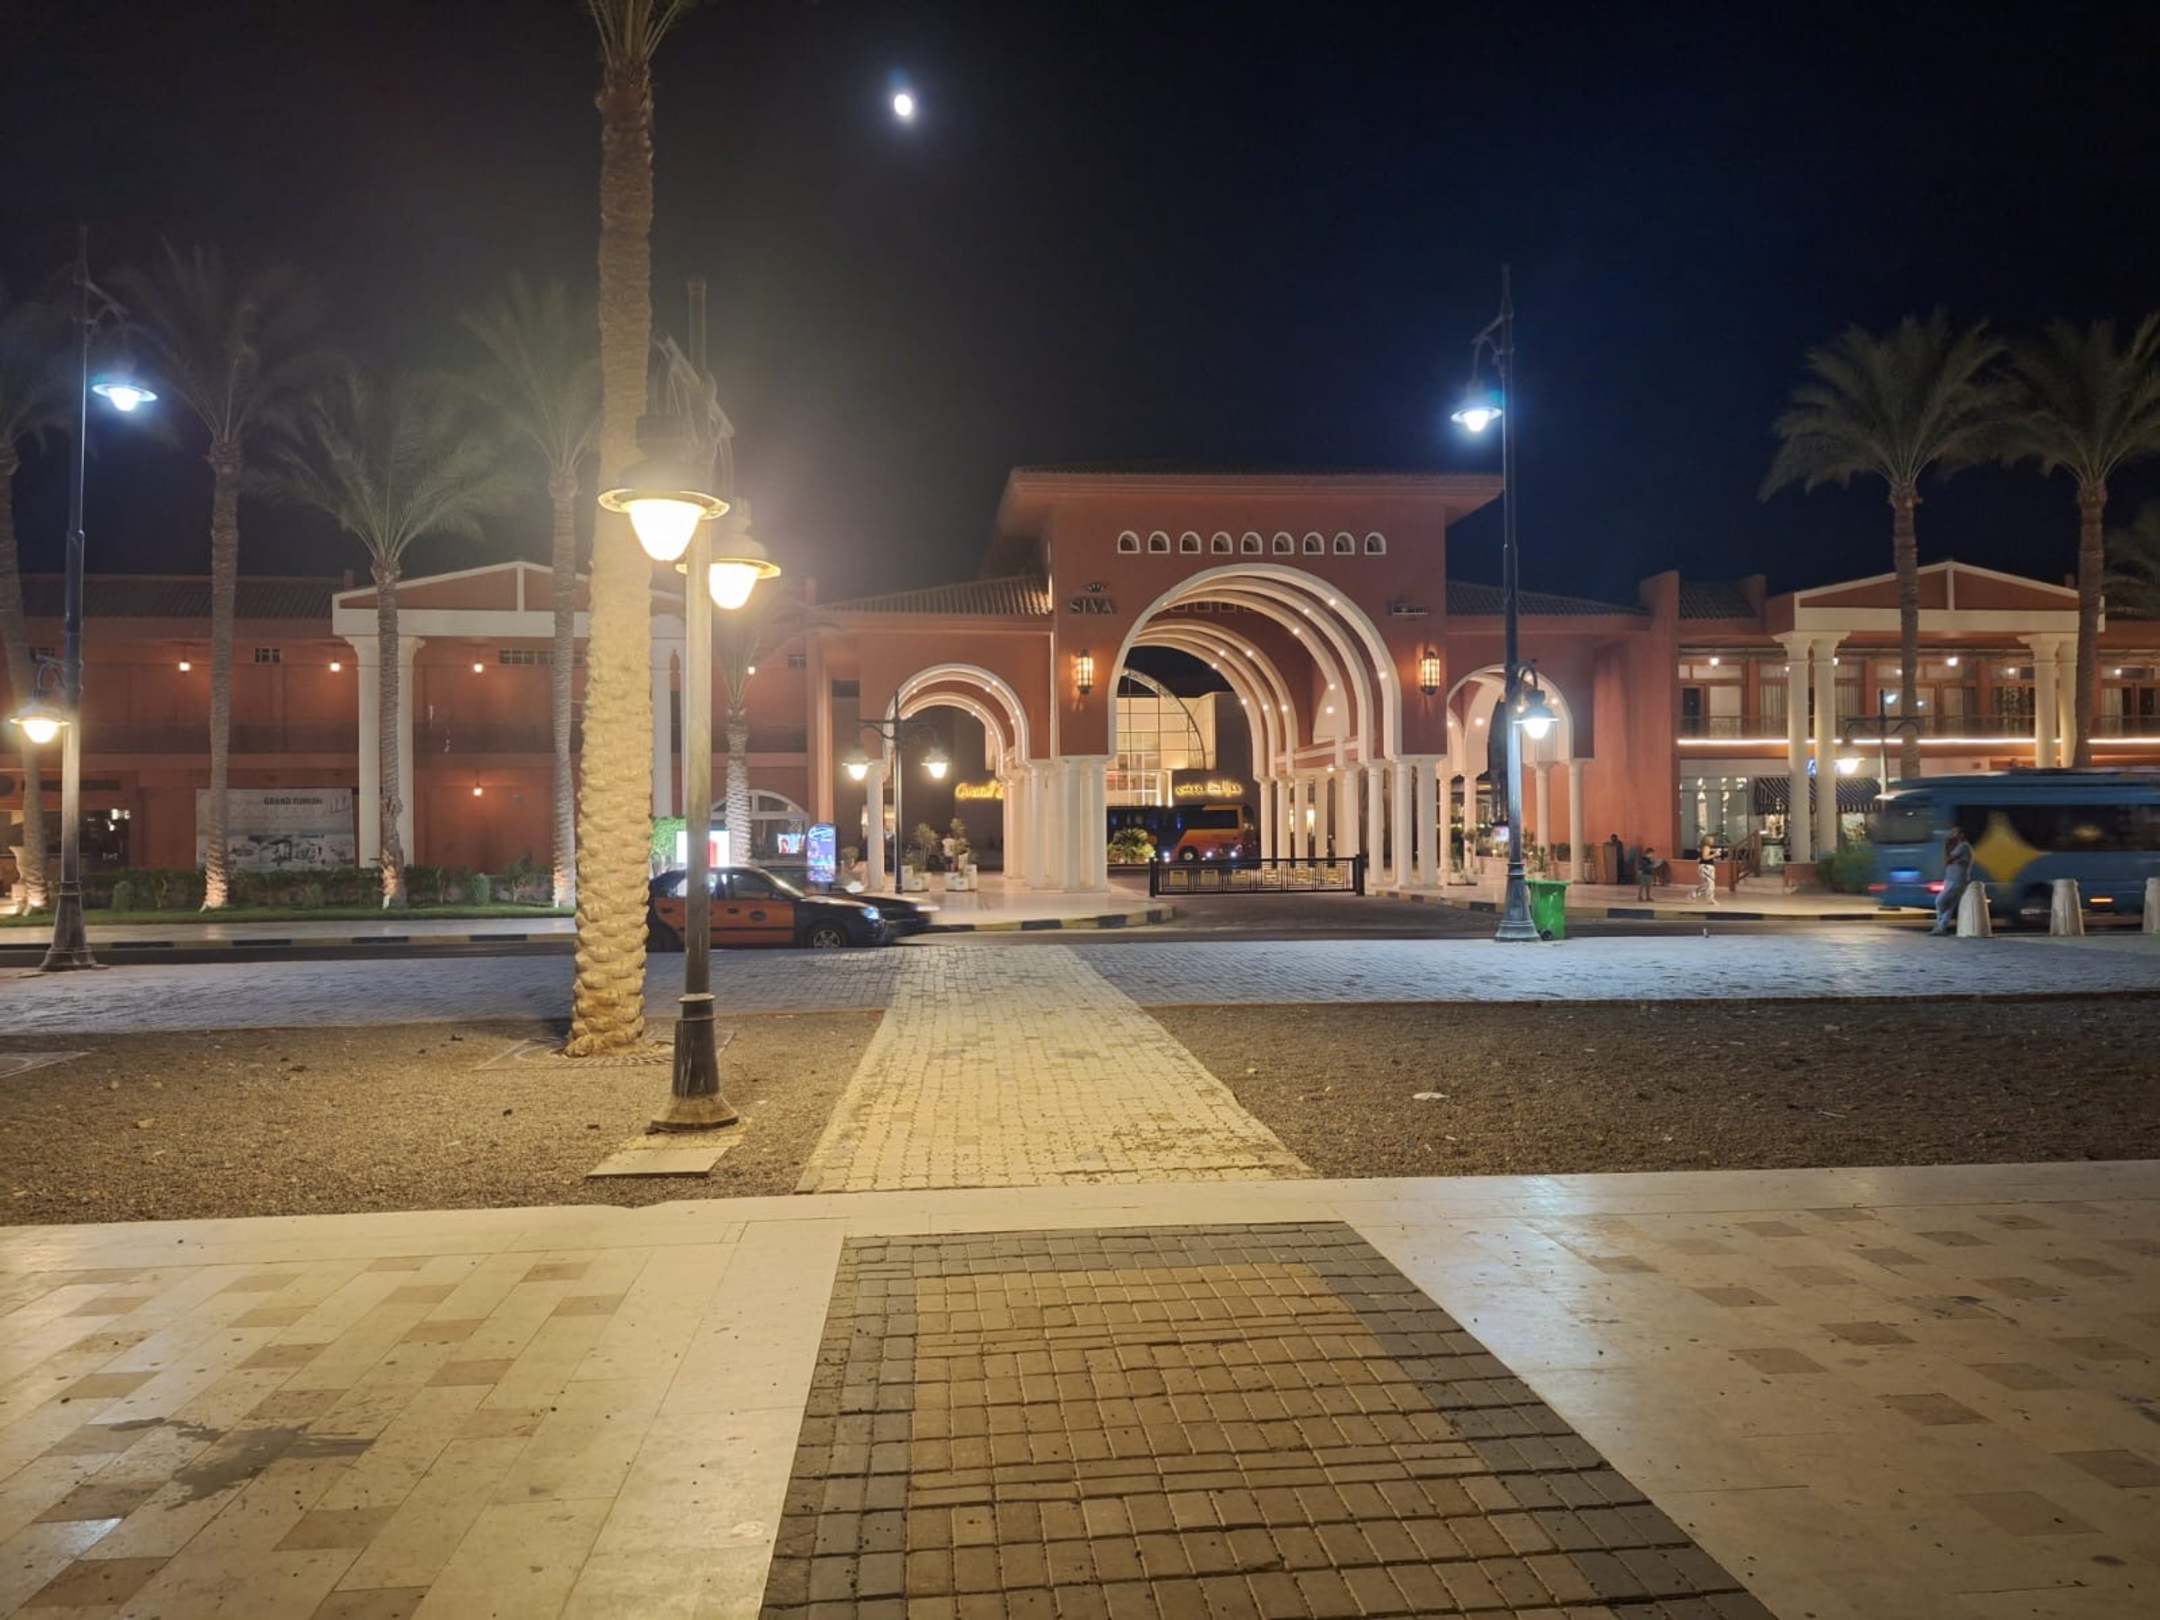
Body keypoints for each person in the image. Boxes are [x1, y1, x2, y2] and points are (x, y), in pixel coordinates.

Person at [1932, 828, 1975, 935]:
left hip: (1957, 879)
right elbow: (1948, 861)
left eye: (1955, 833)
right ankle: (1941, 927)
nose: (1952, 834)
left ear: (1962, 834)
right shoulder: (1958, 846)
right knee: (1949, 905)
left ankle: (1940, 926)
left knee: (1940, 901)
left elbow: (1947, 859)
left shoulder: (1963, 846)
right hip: (1951, 878)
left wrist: (1946, 845)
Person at [1693, 841, 1720, 906]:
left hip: (1707, 867)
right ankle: (1710, 900)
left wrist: (1714, 855)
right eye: (1712, 839)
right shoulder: (1706, 847)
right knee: (1709, 884)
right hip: (1706, 868)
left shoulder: (1706, 848)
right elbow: (1705, 857)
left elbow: (1703, 858)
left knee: (1707, 884)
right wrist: (1715, 854)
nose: (1713, 841)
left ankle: (1693, 894)